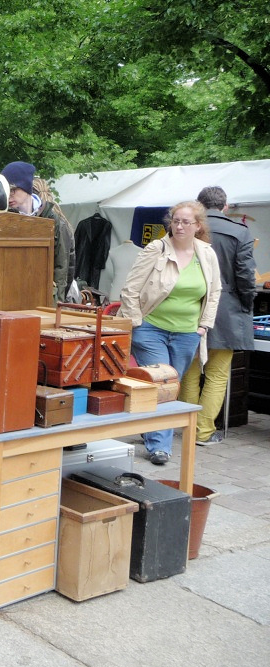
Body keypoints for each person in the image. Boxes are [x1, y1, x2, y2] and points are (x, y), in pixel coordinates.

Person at [118, 201, 222, 465]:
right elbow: (130, 289)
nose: (179, 226)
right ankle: (159, 447)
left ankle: (150, 427)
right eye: (175, 220)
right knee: (161, 384)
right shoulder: (157, 249)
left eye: (186, 222)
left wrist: (203, 326)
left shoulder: (207, 254)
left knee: (171, 387)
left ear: (198, 226)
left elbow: (214, 292)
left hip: (188, 332)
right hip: (151, 328)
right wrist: (137, 322)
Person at [180, 186, 257, 446]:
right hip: (227, 311)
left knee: (189, 372)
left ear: (199, 205)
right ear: (225, 206)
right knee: (216, 374)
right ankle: (203, 433)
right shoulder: (240, 232)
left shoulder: (187, 228)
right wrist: (246, 305)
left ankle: (187, 427)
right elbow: (246, 277)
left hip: (189, 307)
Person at [4, 167, 76, 305]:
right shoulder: (3, 219)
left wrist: (56, 304)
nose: (9, 195)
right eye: (6, 191)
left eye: (13, 190)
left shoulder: (55, 222)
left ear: (26, 187)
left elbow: (64, 269)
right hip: (11, 297)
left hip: (45, 299)